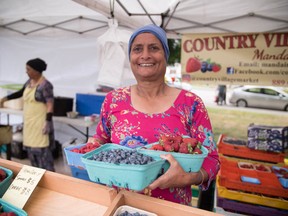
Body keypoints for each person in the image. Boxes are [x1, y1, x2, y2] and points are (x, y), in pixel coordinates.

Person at [91, 24, 220, 206]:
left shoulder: (191, 103)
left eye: (154, 48)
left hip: (171, 209)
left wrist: (187, 178)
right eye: (137, 49)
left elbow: (212, 160)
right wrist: (92, 145)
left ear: (165, 55)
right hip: (120, 206)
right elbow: (100, 140)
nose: (145, 55)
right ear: (130, 58)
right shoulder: (114, 100)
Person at [0, 58, 55, 171]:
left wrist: (47, 122)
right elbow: (20, 92)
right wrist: (4, 99)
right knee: (32, 154)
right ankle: (36, 178)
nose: (26, 71)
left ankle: (50, 179)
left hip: (41, 124)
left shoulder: (45, 85)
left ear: (36, 71)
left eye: (28, 69)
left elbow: (50, 104)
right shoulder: (29, 82)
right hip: (30, 124)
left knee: (43, 157)